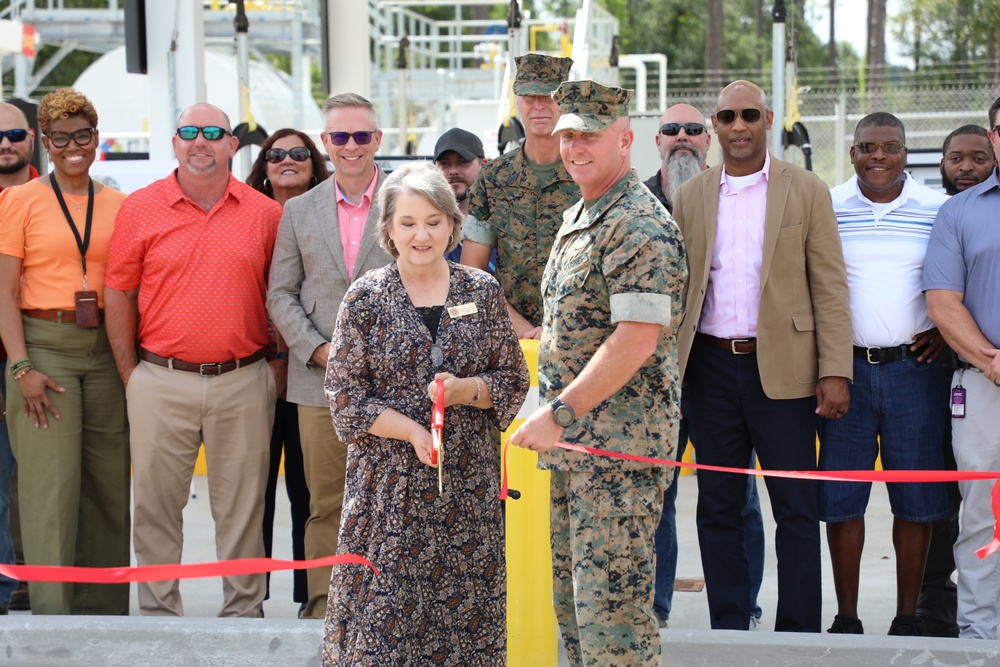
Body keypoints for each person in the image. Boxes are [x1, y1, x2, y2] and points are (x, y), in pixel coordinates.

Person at [324, 162, 529, 665]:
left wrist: (466, 391)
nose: (422, 234)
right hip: (387, 494)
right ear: (389, 229)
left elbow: (513, 381)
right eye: (408, 222)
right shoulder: (366, 298)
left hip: (467, 492)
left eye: (434, 221)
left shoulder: (480, 291)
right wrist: (412, 430)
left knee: (466, 630)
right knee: (384, 629)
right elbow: (345, 395)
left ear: (454, 224)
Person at [510, 80, 686, 666]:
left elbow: (636, 340)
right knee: (579, 616)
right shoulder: (582, 215)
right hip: (579, 452)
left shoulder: (637, 223)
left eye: (589, 134)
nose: (574, 146)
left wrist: (560, 413)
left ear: (625, 140)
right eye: (567, 134)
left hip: (617, 456)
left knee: (615, 626)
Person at [672, 80, 853, 633]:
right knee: (718, 506)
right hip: (708, 371)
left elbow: (830, 287)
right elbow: (680, 289)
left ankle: (797, 630)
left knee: (796, 509)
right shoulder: (691, 196)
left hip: (787, 374)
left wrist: (836, 371)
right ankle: (729, 624)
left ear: (767, 119)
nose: (739, 126)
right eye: (728, 117)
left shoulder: (807, 190)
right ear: (715, 126)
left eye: (750, 114)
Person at [105, 103, 282, 617]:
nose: (199, 141)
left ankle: (243, 616)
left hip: (243, 378)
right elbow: (118, 292)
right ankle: (160, 616)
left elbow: (282, 294)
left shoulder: (263, 213)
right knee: (156, 507)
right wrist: (130, 374)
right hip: (160, 378)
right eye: (188, 132)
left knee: (243, 509)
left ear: (232, 144)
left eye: (212, 132)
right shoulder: (140, 208)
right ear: (175, 143)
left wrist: (276, 368)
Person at [0, 88, 130, 615]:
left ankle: (104, 613)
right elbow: (4, 292)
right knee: (49, 488)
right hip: (44, 345)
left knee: (106, 485)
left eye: (82, 135)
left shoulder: (121, 204)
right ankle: (54, 617)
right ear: (46, 145)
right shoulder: (20, 201)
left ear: (96, 140)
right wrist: (21, 364)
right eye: (60, 137)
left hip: (102, 346)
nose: (73, 146)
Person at [819, 112, 950, 636]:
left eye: (890, 147)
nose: (879, 157)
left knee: (915, 501)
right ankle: (846, 617)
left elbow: (956, 277)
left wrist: (945, 330)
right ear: (852, 153)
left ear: (905, 153)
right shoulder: (828, 205)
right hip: (844, 369)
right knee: (842, 499)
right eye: (868, 147)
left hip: (914, 371)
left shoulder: (936, 209)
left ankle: (906, 615)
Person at [266, 93, 393, 620]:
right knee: (325, 505)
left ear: (377, 141)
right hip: (318, 384)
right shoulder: (299, 210)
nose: (351, 147)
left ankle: (390, 611)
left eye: (361, 136)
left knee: (394, 506)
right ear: (326, 143)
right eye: (340, 137)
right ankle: (323, 609)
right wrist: (319, 350)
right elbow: (280, 293)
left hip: (395, 383)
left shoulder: (409, 199)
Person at [644, 102, 767, 630]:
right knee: (655, 495)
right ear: (657, 141)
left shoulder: (732, 195)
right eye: (671, 130)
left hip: (721, 371)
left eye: (694, 129)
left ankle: (743, 609)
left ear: (710, 139)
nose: (683, 138)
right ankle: (654, 609)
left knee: (736, 494)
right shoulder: (633, 202)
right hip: (653, 378)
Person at [923, 94, 1000, 641]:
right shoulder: (958, 213)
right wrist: (993, 360)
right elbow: (943, 302)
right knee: (981, 512)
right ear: (996, 139)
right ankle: (980, 632)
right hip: (983, 383)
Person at [247, 128, 329, 614]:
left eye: (300, 152)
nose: (287, 160)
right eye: (275, 154)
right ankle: (250, 596)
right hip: (253, 372)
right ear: (264, 165)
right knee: (252, 496)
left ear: (315, 162)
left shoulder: (328, 217)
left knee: (308, 493)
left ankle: (309, 597)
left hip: (309, 373)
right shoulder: (249, 217)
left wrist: (288, 356)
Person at [460, 53, 579, 339]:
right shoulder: (493, 179)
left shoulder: (587, 173)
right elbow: (472, 273)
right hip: (511, 340)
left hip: (578, 340)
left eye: (548, 96)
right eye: (529, 97)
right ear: (518, 103)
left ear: (564, 101)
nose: (538, 106)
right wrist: (521, 328)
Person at [0, 100, 39, 615]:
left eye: (12, 132)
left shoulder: (53, 196)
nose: (4, 142)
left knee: (35, 472)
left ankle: (34, 574)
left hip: (42, 351)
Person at [433, 127, 486, 264]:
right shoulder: (424, 225)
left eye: (463, 162)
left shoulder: (500, 221)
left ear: (484, 165)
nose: (453, 171)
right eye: (444, 163)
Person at [939, 125, 995, 196]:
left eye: (979, 159)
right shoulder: (929, 206)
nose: (966, 168)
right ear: (942, 167)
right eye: (955, 159)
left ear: (996, 166)